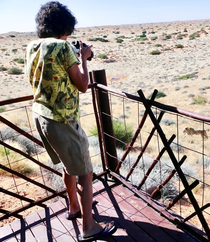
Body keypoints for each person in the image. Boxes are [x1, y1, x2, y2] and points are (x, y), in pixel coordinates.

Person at [25, 1, 116, 241]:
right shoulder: (63, 48)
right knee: (86, 172)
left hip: (41, 116)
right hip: (63, 119)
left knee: (69, 166)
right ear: (64, 27)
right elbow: (84, 85)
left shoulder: (33, 46)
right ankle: (89, 227)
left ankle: (74, 207)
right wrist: (84, 57)